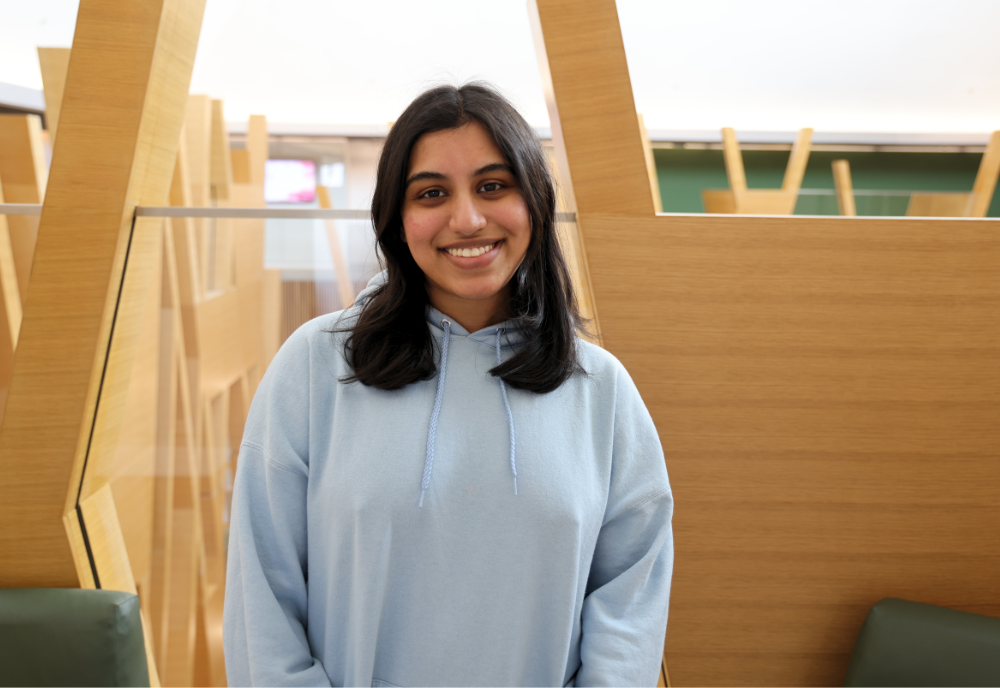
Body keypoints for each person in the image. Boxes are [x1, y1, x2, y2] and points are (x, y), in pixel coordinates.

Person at [223, 82, 673, 687]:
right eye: (432, 193)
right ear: (396, 218)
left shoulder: (602, 390)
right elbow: (262, 602)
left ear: (534, 202)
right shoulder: (313, 367)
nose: (467, 219)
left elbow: (630, 605)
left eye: (493, 186)